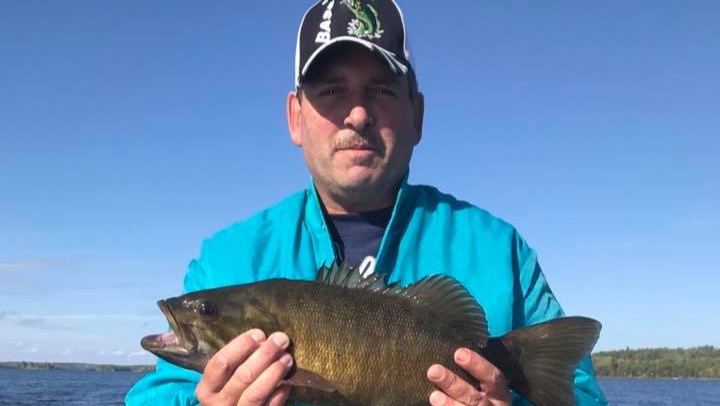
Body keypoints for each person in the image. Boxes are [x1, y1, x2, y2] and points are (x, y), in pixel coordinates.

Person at [126, 1, 608, 405]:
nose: (357, 113)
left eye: (380, 89)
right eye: (331, 91)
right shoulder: (226, 260)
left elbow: (580, 394)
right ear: (295, 117)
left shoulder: (500, 250)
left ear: (417, 115)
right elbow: (158, 396)